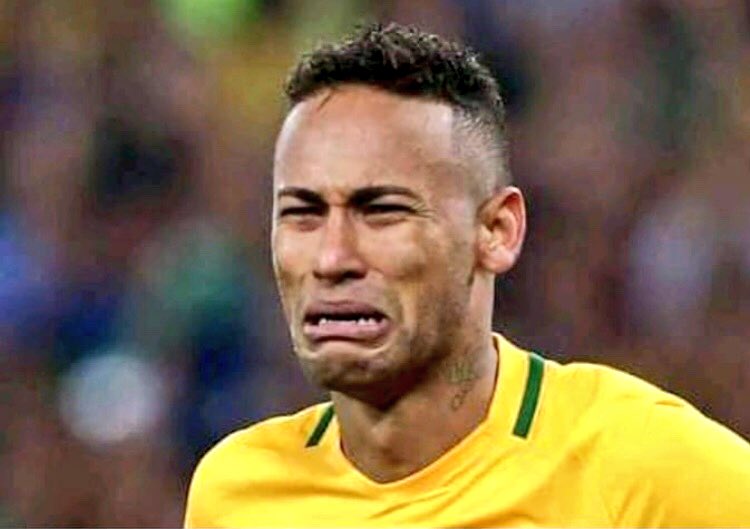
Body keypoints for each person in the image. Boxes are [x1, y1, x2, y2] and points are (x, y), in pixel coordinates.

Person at [184, 23, 750, 527]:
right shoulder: (237, 494)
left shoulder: (641, 469)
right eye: (302, 213)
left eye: (382, 211)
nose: (332, 258)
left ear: (497, 230)